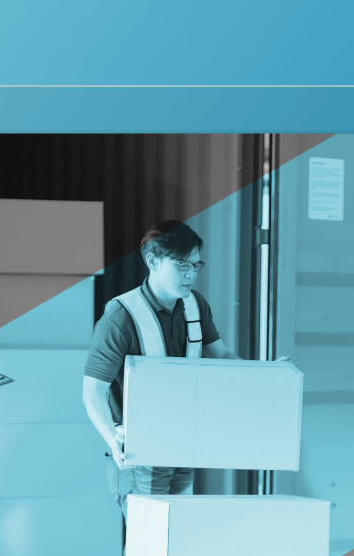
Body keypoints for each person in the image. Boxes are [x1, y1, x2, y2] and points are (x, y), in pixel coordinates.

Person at [83, 220, 243, 521]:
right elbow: (92, 390)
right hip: (140, 454)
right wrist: (111, 437)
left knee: (178, 538)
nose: (191, 274)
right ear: (153, 261)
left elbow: (221, 355)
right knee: (148, 543)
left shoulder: (195, 306)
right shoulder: (121, 317)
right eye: (182, 264)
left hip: (183, 444)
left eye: (197, 265)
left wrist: (267, 375)